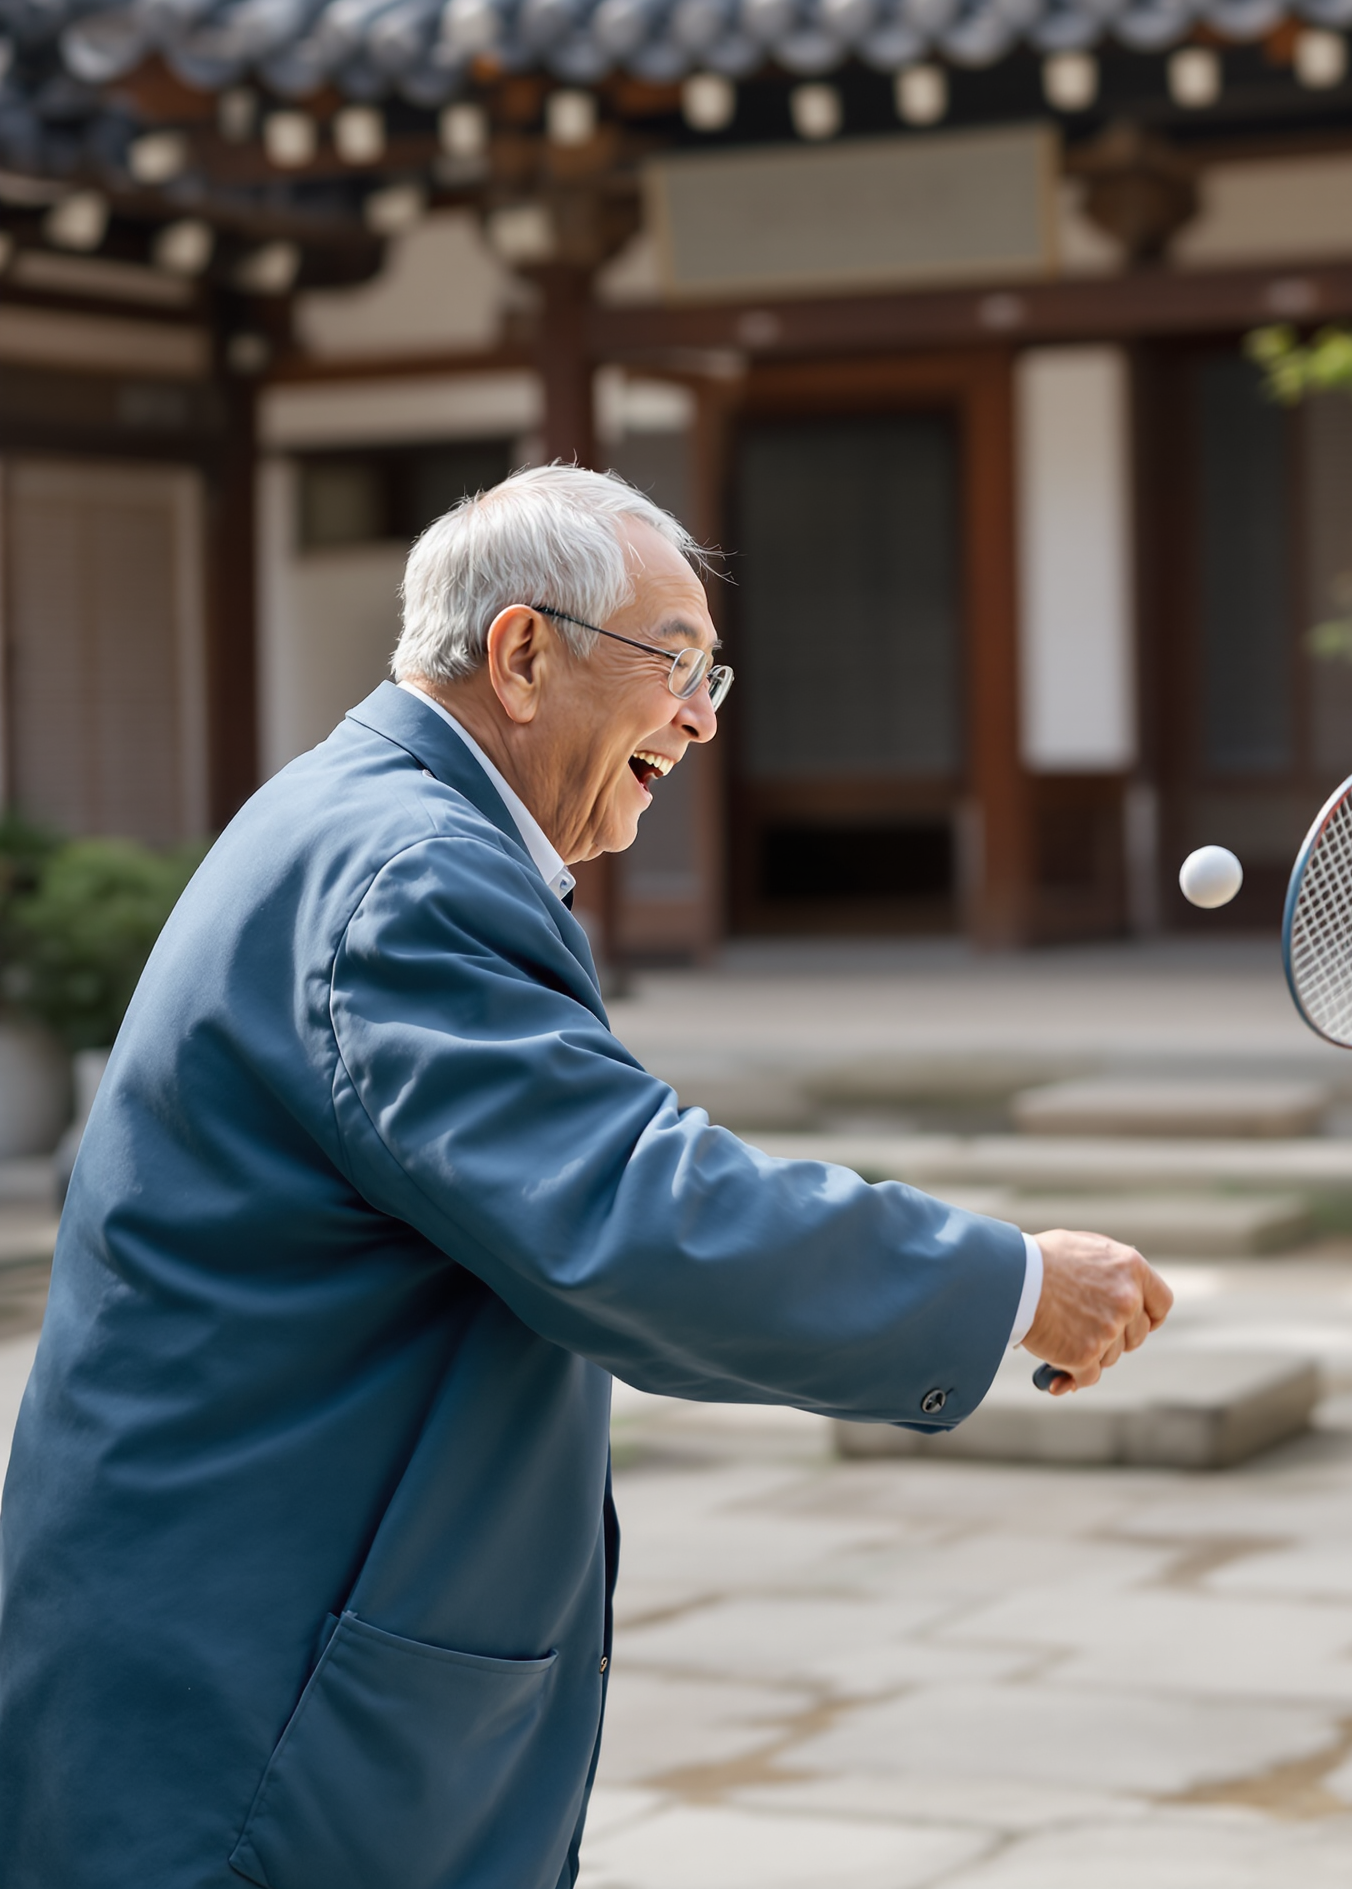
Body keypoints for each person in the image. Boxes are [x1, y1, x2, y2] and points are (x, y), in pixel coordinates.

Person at [0, 465, 1173, 1889]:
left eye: (711, 675)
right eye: (673, 665)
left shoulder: (358, 817)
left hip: (237, 1620)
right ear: (520, 653)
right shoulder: (408, 876)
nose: (699, 717)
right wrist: (1012, 1284)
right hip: (251, 1689)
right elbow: (632, 1213)